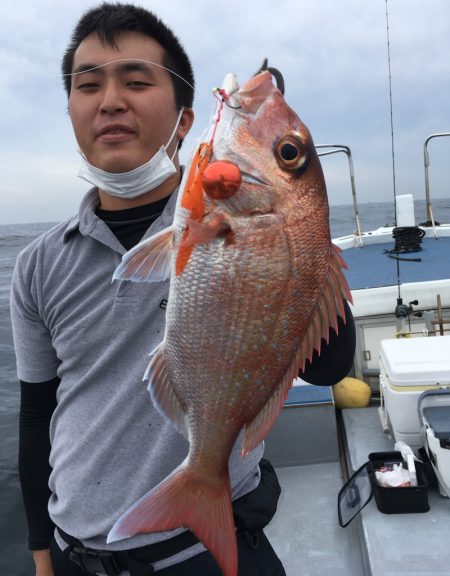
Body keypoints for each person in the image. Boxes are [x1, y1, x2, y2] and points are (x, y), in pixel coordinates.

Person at [11, 3, 355, 576]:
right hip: (74, 556)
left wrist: (304, 242)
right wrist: (40, 552)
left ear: (188, 120)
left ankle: (204, 481)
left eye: (137, 80)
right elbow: (35, 416)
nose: (110, 100)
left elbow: (329, 368)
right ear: (70, 108)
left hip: (213, 554)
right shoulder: (37, 265)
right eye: (88, 83)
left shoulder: (229, 215)